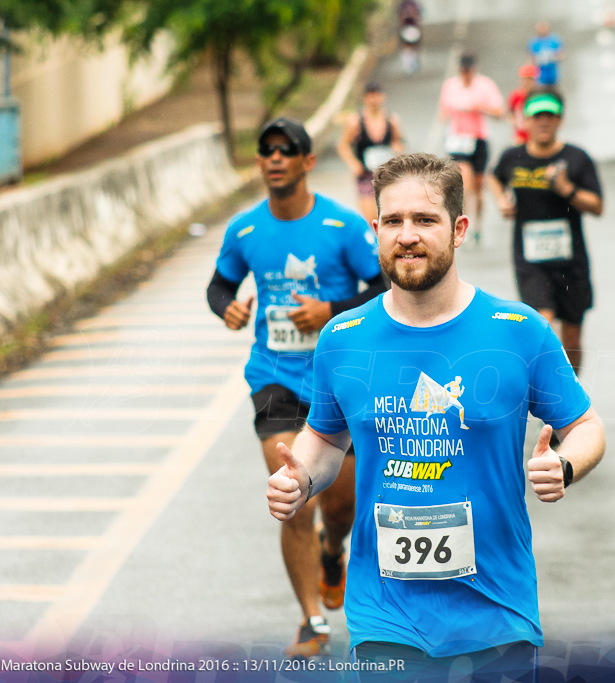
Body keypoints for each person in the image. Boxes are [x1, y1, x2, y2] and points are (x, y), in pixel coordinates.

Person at [266, 153, 605, 680]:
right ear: (375, 229)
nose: (407, 235)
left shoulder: (517, 330)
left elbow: (584, 427)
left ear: (459, 229)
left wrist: (563, 465)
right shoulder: (342, 339)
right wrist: (301, 477)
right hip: (385, 616)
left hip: (498, 613)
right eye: (394, 222)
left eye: (425, 220)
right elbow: (325, 440)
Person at [206, 117, 387, 658]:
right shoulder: (244, 230)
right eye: (267, 150)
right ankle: (313, 620)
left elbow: (382, 286)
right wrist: (229, 308)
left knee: (340, 508)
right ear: (260, 162)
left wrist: (331, 310)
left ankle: (335, 551)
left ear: (309, 161)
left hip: (339, 381)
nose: (276, 158)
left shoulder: (343, 227)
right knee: (294, 498)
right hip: (275, 378)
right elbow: (219, 285)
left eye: (288, 150)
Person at [489, 89, 604, 375]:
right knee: (543, 324)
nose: (543, 122)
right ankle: (549, 396)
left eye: (550, 116)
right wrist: (502, 201)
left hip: (571, 260)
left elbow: (597, 205)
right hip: (531, 260)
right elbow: (494, 176)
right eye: (537, 116)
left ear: (560, 120)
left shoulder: (577, 159)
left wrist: (568, 190)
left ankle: (570, 393)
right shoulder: (512, 157)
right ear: (525, 121)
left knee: (572, 338)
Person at [438, 52, 504, 243]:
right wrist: (449, 115)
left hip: (479, 139)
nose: (467, 75)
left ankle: (477, 226)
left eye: (470, 71)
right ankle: (463, 225)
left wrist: (480, 107)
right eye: (463, 71)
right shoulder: (451, 86)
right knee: (464, 183)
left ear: (474, 70)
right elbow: (442, 112)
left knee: (478, 187)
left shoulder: (485, 86)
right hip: (458, 140)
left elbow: (499, 111)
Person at [337, 82, 405, 225]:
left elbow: (399, 142)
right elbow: (343, 145)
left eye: (377, 96)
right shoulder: (356, 121)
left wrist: (396, 151)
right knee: (370, 219)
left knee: (386, 216)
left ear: (383, 97)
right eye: (370, 96)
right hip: (365, 174)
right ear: (365, 98)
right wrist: (354, 164)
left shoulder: (391, 120)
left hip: (386, 174)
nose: (374, 100)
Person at [508, 63, 539, 145]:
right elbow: (511, 113)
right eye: (526, 79)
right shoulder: (515, 96)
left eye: (531, 79)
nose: (528, 82)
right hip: (520, 135)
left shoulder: (538, 96)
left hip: (535, 135)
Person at [528, 21, 565, 86]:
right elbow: (530, 59)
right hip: (539, 76)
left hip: (553, 75)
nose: (542, 30)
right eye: (540, 28)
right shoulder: (534, 42)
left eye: (543, 27)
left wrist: (553, 58)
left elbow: (562, 54)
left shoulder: (554, 40)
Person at [397, 0, 422, 75]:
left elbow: (417, 19)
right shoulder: (405, 5)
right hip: (407, 30)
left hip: (412, 30)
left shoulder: (411, 4)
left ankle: (411, 65)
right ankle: (408, 65)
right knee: (408, 48)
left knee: (410, 48)